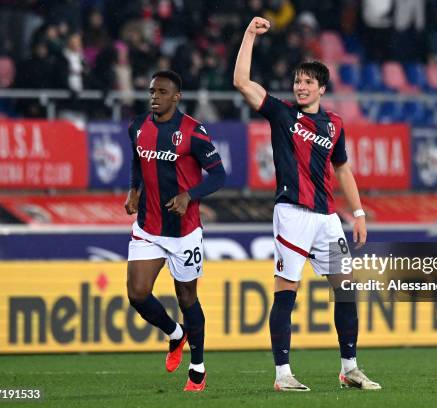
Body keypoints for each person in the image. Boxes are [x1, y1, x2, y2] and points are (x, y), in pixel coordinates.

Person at [233, 17, 381, 392]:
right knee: (287, 290)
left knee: (345, 289)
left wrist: (359, 213)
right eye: (298, 82)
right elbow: (241, 82)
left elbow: (343, 169)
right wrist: (250, 35)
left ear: (321, 88)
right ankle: (283, 374)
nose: (300, 87)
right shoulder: (282, 114)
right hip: (293, 214)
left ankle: (349, 368)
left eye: (307, 82)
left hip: (328, 218)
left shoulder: (334, 125)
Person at [125, 70, 226, 392]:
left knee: (187, 298)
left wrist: (189, 195)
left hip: (184, 232)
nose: (154, 96)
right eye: (152, 91)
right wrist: (133, 190)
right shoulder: (138, 127)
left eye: (162, 91)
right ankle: (175, 334)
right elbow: (137, 161)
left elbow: (219, 175)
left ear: (176, 97)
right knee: (137, 293)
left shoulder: (193, 132)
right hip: (148, 226)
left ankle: (198, 368)